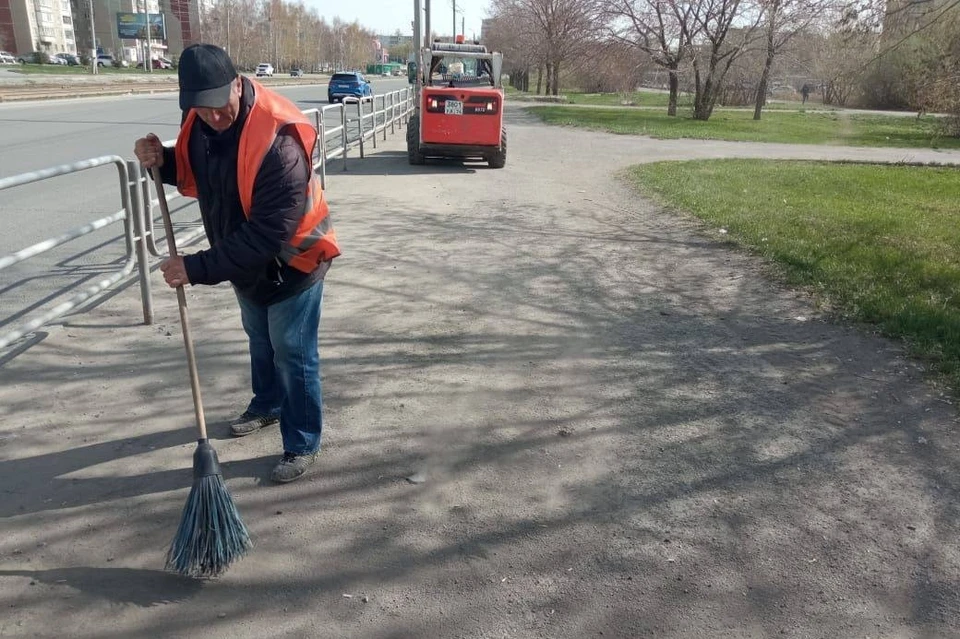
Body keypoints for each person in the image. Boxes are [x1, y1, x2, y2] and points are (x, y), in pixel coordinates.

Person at [134, 44, 340, 484]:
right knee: (259, 338)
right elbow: (202, 170)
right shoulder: (201, 120)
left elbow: (268, 235)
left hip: (293, 262)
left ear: (237, 83)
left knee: (292, 351)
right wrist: (162, 161)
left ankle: (302, 440)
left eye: (218, 106)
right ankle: (266, 404)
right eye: (201, 109)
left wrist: (196, 267)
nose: (212, 117)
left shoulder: (278, 139)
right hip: (244, 264)